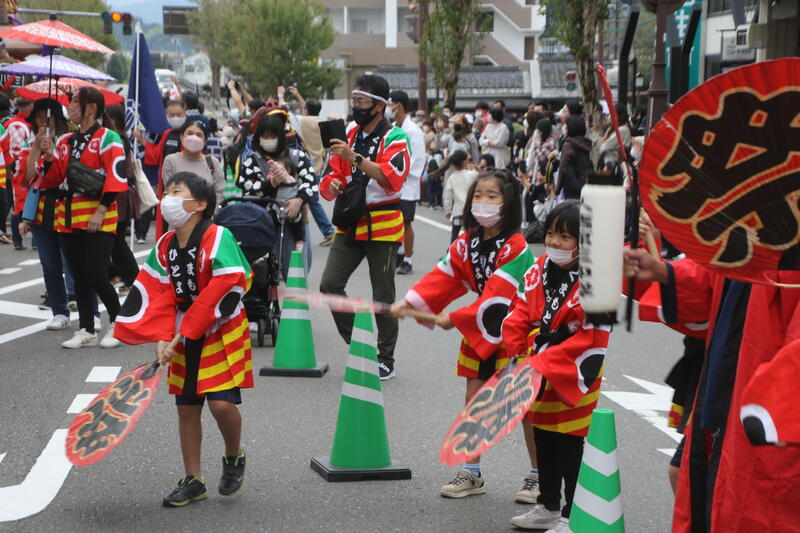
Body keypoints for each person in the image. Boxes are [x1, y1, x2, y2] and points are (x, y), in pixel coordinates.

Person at [624, 234, 800, 533]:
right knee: (703, 494)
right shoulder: (755, 229)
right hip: (724, 399)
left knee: (755, 510)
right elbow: (715, 277)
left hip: (769, 420)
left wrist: (776, 405)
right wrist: (663, 270)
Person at [391, 169, 534, 497]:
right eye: (478, 195)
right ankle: (471, 472)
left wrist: (454, 318)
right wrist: (410, 301)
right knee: (475, 400)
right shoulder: (467, 241)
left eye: (492, 196)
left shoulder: (516, 246)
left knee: (525, 407)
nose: (483, 202)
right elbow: (444, 275)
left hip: (517, 328)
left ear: (508, 203)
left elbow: (499, 296)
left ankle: (539, 476)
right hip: (484, 327)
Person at [114, 171, 253, 507]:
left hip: (220, 327)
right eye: (168, 192)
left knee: (221, 404)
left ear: (200, 204)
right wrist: (163, 336)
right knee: (187, 408)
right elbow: (157, 291)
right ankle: (193, 479)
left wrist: (182, 332)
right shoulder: (164, 245)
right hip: (182, 330)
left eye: (177, 192)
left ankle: (234, 455)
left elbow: (227, 284)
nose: (168, 199)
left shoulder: (218, 236)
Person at [503, 200, 610, 532]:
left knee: (569, 440)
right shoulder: (539, 268)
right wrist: (516, 345)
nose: (554, 242)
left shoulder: (598, 279)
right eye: (550, 234)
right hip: (541, 359)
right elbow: (521, 308)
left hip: (574, 366)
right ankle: (547, 504)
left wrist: (545, 357)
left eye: (565, 237)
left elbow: (592, 336)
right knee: (544, 435)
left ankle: (571, 512)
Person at [318, 74, 411, 380]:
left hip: (383, 223)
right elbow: (333, 172)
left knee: (383, 295)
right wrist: (331, 184)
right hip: (350, 220)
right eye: (354, 100)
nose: (356, 106)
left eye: (361, 101)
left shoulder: (396, 137)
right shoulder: (349, 132)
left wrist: (354, 157)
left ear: (379, 105)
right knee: (329, 285)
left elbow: (391, 177)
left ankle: (385, 358)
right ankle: (361, 343)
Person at [38, 86, 127, 349]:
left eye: (76, 102)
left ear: (91, 108)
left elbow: (116, 176)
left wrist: (101, 210)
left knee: (97, 274)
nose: (71, 107)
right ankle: (87, 329)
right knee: (79, 276)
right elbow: (52, 179)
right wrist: (49, 155)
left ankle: (118, 323)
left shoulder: (108, 137)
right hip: (68, 216)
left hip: (100, 215)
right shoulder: (66, 140)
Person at [16, 98, 73, 331]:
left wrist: (52, 151)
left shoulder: (69, 140)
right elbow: (27, 176)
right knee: (50, 265)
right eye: (38, 118)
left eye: (46, 117)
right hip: (41, 209)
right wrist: (37, 147)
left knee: (74, 262)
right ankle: (59, 311)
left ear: (57, 119)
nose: (42, 122)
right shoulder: (30, 144)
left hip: (68, 206)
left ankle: (86, 307)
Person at [236, 112, 317, 275]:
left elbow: (310, 183)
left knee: (295, 271)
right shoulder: (252, 160)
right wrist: (271, 184)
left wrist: (298, 201)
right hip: (261, 224)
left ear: (281, 136)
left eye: (273, 136)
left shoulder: (297, 157)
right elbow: (248, 189)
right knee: (263, 273)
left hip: (293, 220)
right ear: (258, 137)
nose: (269, 140)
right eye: (264, 136)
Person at [279, 85, 336, 247]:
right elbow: (308, 108)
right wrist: (298, 95)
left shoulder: (302, 121)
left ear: (306, 110)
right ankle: (326, 231)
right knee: (311, 200)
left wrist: (281, 95)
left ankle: (328, 231)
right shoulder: (322, 122)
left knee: (312, 201)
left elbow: (285, 111)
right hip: (318, 167)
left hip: (305, 166)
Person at [136, 99, 188, 241]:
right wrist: (141, 139)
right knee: (165, 217)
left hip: (184, 184)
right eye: (171, 115)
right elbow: (156, 155)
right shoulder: (167, 134)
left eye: (179, 114)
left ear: (185, 114)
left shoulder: (188, 134)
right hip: (166, 185)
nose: (175, 117)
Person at [387, 90, 425, 275]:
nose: (387, 108)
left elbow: (417, 159)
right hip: (393, 183)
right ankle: (400, 254)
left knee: (406, 222)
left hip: (407, 184)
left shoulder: (413, 131)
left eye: (389, 104)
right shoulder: (393, 128)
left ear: (398, 105)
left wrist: (399, 173)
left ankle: (408, 260)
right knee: (395, 221)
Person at [103, 104, 141, 293]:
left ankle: (130, 276)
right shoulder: (119, 138)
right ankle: (118, 274)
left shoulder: (116, 139)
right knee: (113, 241)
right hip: (120, 193)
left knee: (115, 241)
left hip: (119, 194)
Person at [162, 120, 225, 208]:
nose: (194, 138)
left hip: (206, 213)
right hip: (179, 213)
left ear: (205, 141)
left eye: (199, 135)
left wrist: (212, 212)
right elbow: (170, 192)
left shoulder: (212, 162)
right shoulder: (170, 160)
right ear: (182, 137)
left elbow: (218, 192)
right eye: (190, 133)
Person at [441, 149, 477, 242]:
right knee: (470, 232)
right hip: (470, 210)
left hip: (457, 211)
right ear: (465, 162)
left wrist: (448, 210)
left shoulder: (451, 178)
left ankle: (453, 249)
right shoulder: (472, 175)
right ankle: (469, 248)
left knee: (455, 232)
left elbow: (448, 197)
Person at [554, 116, 592, 200]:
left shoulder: (568, 145)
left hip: (571, 186)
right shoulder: (586, 143)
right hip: (585, 184)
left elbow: (562, 167)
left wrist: (557, 190)